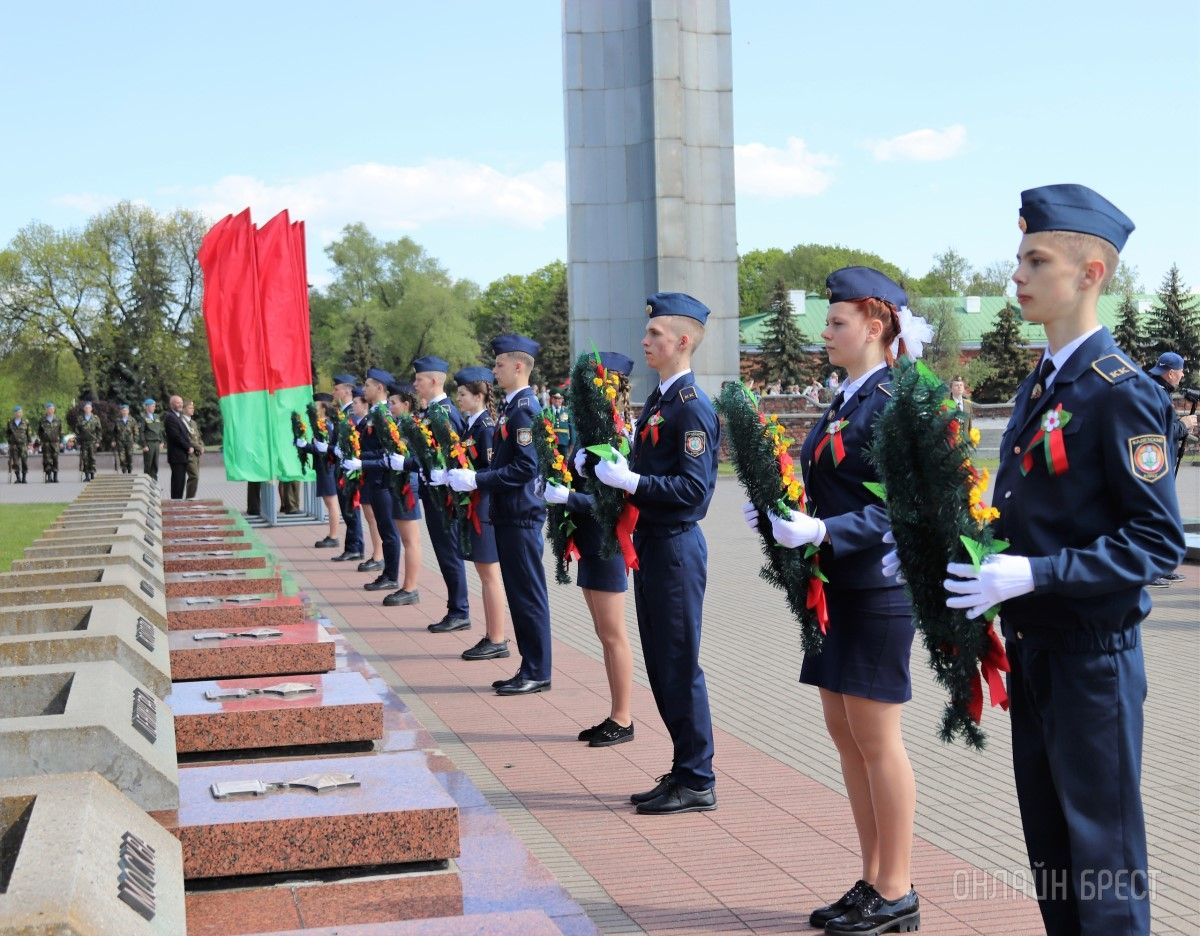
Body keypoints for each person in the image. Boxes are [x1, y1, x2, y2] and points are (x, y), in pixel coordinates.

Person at [942, 185, 1185, 935]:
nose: (1017, 274)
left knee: (1103, 868)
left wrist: (1038, 574)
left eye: (1036, 259)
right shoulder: (1041, 383)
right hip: (1036, 648)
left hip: (1093, 661)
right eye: (1018, 258)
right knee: (1054, 857)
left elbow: (1157, 542)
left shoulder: (1121, 394)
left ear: (1092, 273)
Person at [751, 267, 922, 932]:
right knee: (847, 738)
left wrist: (826, 530)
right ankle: (873, 877)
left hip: (878, 589)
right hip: (835, 587)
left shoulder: (898, 402)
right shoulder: (846, 398)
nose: (825, 333)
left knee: (878, 741)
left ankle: (898, 890)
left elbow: (909, 507)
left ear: (875, 326)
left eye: (837, 322)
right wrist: (787, 514)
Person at [587, 292, 720, 815]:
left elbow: (695, 493)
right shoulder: (663, 402)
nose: (645, 342)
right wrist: (618, 466)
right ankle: (685, 768)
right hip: (653, 547)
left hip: (675, 547)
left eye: (655, 335)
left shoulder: (691, 408)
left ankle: (698, 777)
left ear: (682, 341)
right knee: (664, 665)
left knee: (679, 664)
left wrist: (634, 481)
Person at [446, 335, 549, 694]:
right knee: (520, 595)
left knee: (527, 595)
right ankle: (530, 666)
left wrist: (476, 478)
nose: (494, 369)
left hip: (520, 514)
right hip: (510, 513)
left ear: (518, 366)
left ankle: (537, 670)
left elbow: (525, 468)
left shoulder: (524, 409)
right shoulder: (512, 407)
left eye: (500, 364)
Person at [544, 351, 637, 747]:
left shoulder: (615, 434)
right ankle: (615, 713)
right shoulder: (589, 430)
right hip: (588, 539)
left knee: (614, 633)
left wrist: (570, 498)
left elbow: (614, 503)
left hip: (605, 541)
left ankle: (623, 717)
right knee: (603, 632)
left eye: (588, 382)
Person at [451, 366, 510, 660]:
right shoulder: (472, 425)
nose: (458, 399)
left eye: (462, 394)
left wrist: (467, 478)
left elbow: (490, 470)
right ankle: (491, 634)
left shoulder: (485, 427)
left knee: (489, 574)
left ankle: (497, 638)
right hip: (476, 505)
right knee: (484, 573)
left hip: (484, 507)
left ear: (479, 395)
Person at [412, 356, 472, 632]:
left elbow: (457, 454)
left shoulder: (445, 411)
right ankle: (455, 607)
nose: (415, 384)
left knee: (449, 553)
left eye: (419, 379)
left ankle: (459, 610)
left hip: (446, 498)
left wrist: (443, 473)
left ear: (434, 381)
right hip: (434, 494)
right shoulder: (432, 411)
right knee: (443, 552)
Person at [341, 369, 403, 600]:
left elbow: (388, 452)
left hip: (383, 481)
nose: (363, 389)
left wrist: (361, 462)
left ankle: (391, 575)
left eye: (368, 385)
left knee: (388, 530)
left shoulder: (384, 415)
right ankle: (387, 573)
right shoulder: (373, 415)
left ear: (379, 388)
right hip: (373, 478)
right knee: (384, 529)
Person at [380, 382, 424, 606]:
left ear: (406, 404)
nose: (390, 406)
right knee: (406, 538)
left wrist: (403, 464)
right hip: (398, 484)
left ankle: (410, 587)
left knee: (410, 540)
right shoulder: (399, 424)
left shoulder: (412, 426)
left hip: (407, 485)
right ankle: (408, 586)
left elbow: (419, 459)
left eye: (393, 402)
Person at [347, 387, 384, 573]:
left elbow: (379, 449)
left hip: (373, 473)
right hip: (366, 473)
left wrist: (359, 456)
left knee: (373, 519)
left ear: (365, 405)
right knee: (370, 518)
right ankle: (377, 554)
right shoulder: (364, 422)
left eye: (356, 403)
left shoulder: (374, 420)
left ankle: (378, 556)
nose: (353, 406)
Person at [329, 374, 365, 562]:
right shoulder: (344, 412)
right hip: (342, 467)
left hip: (350, 469)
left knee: (351, 509)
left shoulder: (352, 412)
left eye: (336, 389)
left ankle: (355, 547)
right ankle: (353, 546)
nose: (334, 392)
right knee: (347, 509)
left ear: (346, 391)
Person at [304, 393, 342, 548]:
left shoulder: (325, 424)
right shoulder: (323, 423)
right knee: (330, 501)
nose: (314, 407)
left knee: (331, 501)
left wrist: (305, 446)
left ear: (324, 407)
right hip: (324, 466)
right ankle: (332, 535)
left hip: (328, 466)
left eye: (316, 404)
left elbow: (323, 449)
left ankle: (333, 536)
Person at [164, 394, 192, 500]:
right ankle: (175, 504)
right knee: (177, 482)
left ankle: (178, 502)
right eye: (177, 402)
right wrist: (188, 447)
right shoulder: (170, 417)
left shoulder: (177, 416)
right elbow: (176, 436)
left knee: (180, 482)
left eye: (181, 402)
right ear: (172, 404)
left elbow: (184, 434)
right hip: (177, 455)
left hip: (181, 455)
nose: (180, 404)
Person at [182, 400, 204, 499]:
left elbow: (198, 437)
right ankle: (189, 499)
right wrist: (198, 447)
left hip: (196, 454)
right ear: (184, 409)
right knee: (194, 476)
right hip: (188, 454)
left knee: (195, 478)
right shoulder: (182, 421)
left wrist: (201, 446)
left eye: (193, 407)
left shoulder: (193, 422)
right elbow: (187, 438)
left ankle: (191, 498)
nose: (193, 409)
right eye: (190, 408)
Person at [76, 401, 100, 481]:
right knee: (85, 458)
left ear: (91, 409)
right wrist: (78, 441)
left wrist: (98, 441)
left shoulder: (95, 418)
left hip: (93, 441)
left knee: (92, 458)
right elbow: (77, 431)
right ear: (84, 409)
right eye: (86, 408)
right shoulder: (80, 418)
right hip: (84, 442)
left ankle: (92, 474)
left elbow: (99, 430)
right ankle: (86, 476)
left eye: (89, 408)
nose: (87, 409)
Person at [140, 398, 163, 481]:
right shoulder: (143, 418)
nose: (154, 408)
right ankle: (146, 482)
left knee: (155, 464)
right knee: (148, 464)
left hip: (156, 443)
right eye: (152, 406)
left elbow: (159, 430)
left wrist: (162, 441)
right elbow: (141, 432)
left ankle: (154, 483)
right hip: (149, 444)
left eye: (154, 406)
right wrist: (144, 445)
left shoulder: (156, 416)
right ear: (147, 407)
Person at [38, 402, 61, 483]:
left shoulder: (58, 419)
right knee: (47, 460)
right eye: (49, 409)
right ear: (46, 410)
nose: (50, 411)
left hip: (55, 443)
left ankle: (55, 476)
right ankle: (49, 476)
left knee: (55, 459)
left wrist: (58, 440)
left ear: (54, 410)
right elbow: (39, 432)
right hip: (46, 443)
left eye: (52, 409)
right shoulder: (42, 420)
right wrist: (42, 440)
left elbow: (60, 431)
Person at [7, 405, 29, 483]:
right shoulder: (10, 422)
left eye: (19, 412)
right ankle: (18, 478)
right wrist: (9, 442)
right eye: (16, 412)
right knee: (15, 462)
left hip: (23, 445)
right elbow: (8, 433)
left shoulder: (25, 422)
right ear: (14, 413)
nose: (18, 414)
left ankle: (24, 478)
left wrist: (28, 443)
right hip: (14, 445)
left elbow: (28, 433)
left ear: (22, 413)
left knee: (24, 461)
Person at [113, 403, 137, 474]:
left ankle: (130, 471)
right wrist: (114, 441)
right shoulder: (117, 421)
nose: (124, 412)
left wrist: (135, 441)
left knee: (129, 456)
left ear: (128, 411)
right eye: (123, 410)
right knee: (122, 457)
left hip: (129, 442)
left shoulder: (132, 420)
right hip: (120, 442)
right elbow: (114, 432)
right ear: (121, 412)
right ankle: (124, 471)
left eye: (126, 410)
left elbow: (136, 431)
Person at [549, 389, 572, 459]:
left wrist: (572, 443)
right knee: (552, 463)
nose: (557, 400)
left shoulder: (567, 411)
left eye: (559, 398)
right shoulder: (546, 411)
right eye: (555, 398)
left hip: (564, 441)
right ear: (551, 399)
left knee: (564, 464)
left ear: (562, 400)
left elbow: (572, 428)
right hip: (551, 442)